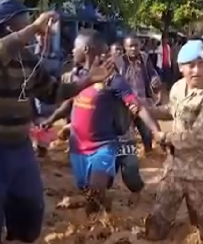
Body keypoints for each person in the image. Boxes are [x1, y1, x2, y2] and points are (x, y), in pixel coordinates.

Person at [0, 0, 111, 244]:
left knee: (31, 206)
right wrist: (33, 30)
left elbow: (52, 92)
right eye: (25, 17)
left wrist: (88, 80)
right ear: (7, 24)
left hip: (17, 145)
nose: (32, 21)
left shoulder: (28, 59)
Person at [69, 30, 161, 215]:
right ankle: (103, 212)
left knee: (130, 172)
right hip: (87, 141)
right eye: (122, 49)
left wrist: (157, 130)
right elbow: (71, 103)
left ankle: (136, 190)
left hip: (123, 129)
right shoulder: (78, 75)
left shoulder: (130, 68)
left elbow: (139, 100)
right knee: (93, 189)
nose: (111, 55)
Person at [144, 40, 203, 241]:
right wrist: (149, 110)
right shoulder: (178, 87)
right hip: (175, 169)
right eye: (191, 65)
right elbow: (173, 111)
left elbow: (199, 135)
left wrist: (163, 137)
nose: (197, 70)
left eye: (201, 64)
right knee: (156, 226)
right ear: (181, 68)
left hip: (202, 174)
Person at [121, 35, 161, 154]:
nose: (133, 49)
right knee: (127, 134)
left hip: (142, 102)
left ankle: (148, 153)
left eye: (136, 45)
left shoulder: (144, 58)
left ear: (140, 46)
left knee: (146, 132)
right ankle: (129, 158)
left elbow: (153, 73)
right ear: (125, 47)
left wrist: (155, 80)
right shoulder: (119, 61)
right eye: (130, 46)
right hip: (125, 104)